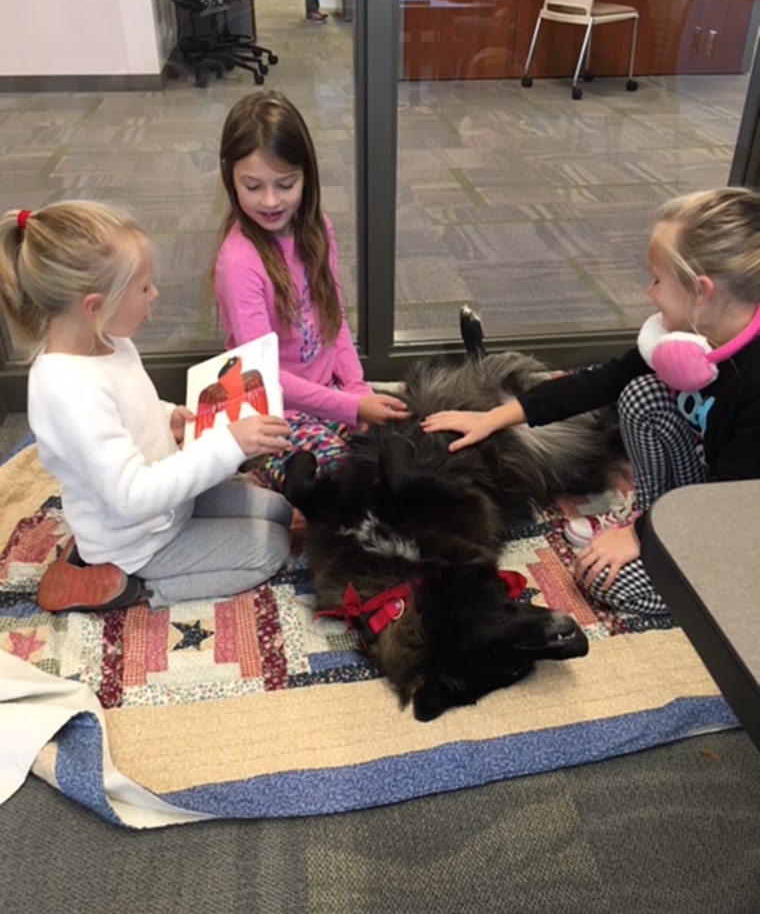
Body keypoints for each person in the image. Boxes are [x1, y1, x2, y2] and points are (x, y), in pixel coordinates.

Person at [422, 187, 760, 616]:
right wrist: (497, 416)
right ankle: (655, 522)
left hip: (740, 512)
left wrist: (640, 538)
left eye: (657, 280)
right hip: (707, 482)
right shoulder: (682, 341)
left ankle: (704, 581)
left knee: (604, 580)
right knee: (639, 393)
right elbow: (602, 382)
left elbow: (729, 501)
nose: (648, 292)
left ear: (701, 290)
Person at [0, 200, 294, 611]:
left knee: (280, 512)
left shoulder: (108, 338)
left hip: (169, 505)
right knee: (272, 548)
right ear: (94, 305)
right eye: (144, 288)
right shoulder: (67, 391)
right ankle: (133, 588)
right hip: (137, 538)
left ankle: (99, 559)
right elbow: (133, 495)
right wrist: (228, 444)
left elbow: (136, 401)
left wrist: (168, 415)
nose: (154, 295)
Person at [213, 91, 407, 489]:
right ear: (230, 178)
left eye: (285, 184)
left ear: (307, 176)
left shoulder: (317, 229)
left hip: (327, 393)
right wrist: (353, 407)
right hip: (267, 405)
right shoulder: (238, 262)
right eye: (253, 186)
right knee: (342, 480)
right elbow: (262, 377)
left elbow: (334, 323)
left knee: (399, 452)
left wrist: (357, 391)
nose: (269, 201)